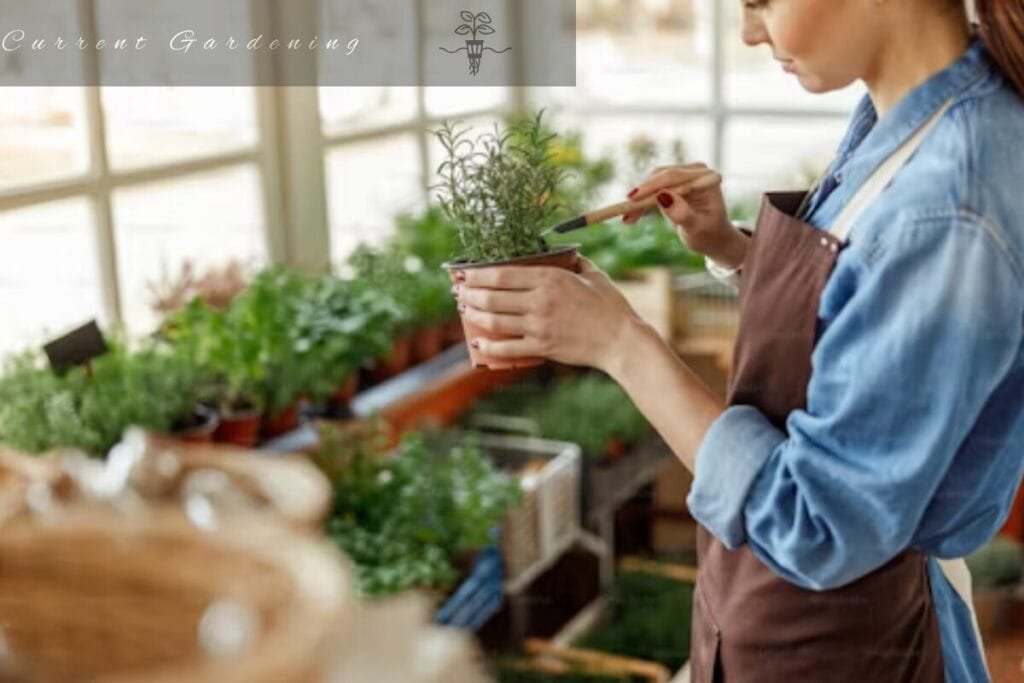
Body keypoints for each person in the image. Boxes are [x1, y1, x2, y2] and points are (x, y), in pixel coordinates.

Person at [451, 0, 1024, 680]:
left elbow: (817, 524)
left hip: (840, 641)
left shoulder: (948, 205)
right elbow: (862, 324)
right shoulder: (915, 116)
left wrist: (621, 344)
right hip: (782, 618)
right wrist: (727, 247)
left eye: (761, 2)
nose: (750, 32)